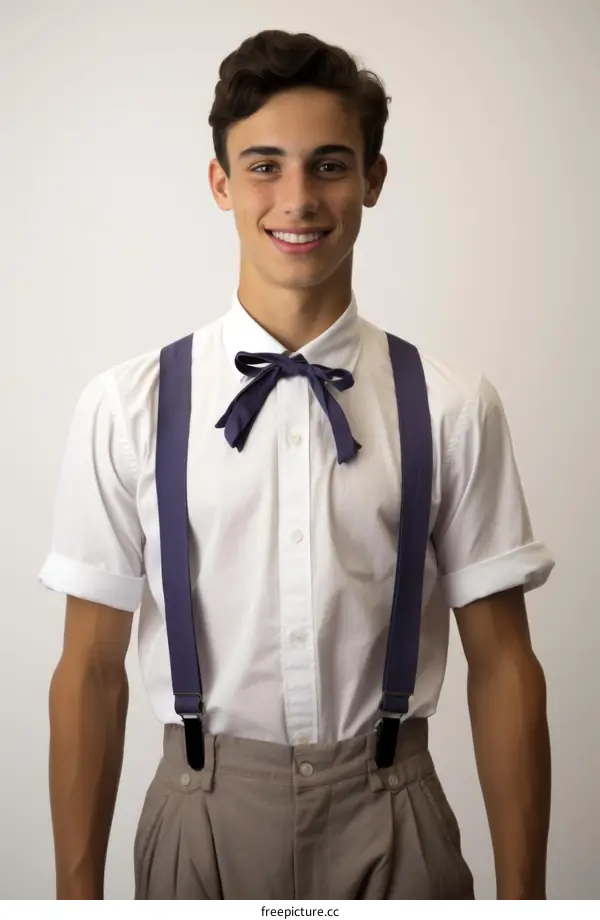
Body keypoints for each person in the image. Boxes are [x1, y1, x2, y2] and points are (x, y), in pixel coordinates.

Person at [39, 29, 554, 900]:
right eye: (265, 166)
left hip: (395, 818)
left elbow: (503, 663)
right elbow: (89, 668)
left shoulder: (453, 404)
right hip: (198, 820)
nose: (298, 199)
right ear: (221, 184)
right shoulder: (128, 405)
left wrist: (528, 903)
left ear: (374, 180)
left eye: (329, 165)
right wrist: (74, 902)